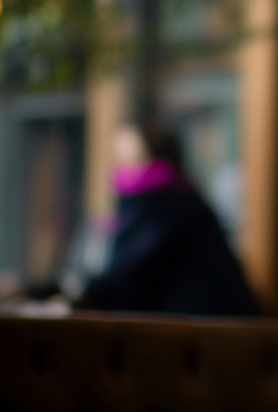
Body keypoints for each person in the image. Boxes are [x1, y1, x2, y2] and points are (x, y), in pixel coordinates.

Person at [77, 123, 261, 317]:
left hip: (200, 332)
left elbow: (130, 274)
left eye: (129, 159)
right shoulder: (176, 198)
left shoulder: (165, 207)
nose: (120, 168)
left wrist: (84, 294)